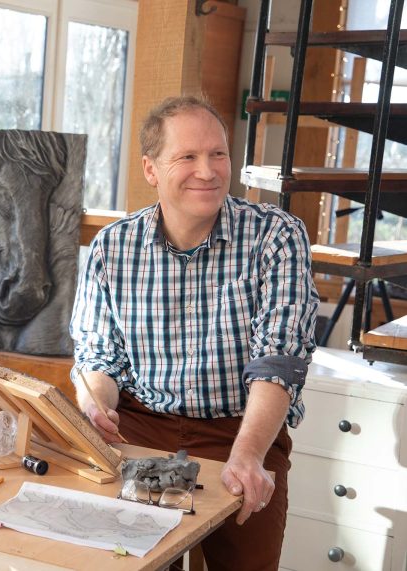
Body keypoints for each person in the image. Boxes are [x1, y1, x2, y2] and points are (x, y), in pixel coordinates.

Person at [70, 95, 319, 571]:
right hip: (144, 428)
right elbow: (98, 358)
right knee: (131, 560)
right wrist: (96, 406)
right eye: (187, 156)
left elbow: (279, 362)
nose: (207, 171)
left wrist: (247, 456)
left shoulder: (276, 236)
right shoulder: (112, 246)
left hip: (238, 431)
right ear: (151, 169)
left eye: (218, 154)